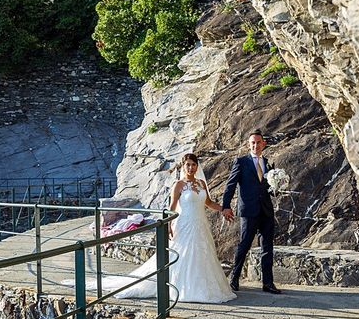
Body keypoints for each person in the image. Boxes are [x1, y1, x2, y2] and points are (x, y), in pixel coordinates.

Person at [100, 153, 236, 304]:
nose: (191, 168)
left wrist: (223, 209)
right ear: (183, 167)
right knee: (182, 255)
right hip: (184, 224)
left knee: (202, 254)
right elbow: (171, 208)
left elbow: (208, 203)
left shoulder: (201, 184)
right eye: (188, 165)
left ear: (197, 166)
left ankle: (204, 287)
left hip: (201, 224)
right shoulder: (179, 185)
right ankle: (182, 288)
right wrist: (168, 224)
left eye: (193, 164)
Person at [222, 130, 282, 294]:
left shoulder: (268, 163)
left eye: (258, 142)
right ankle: (234, 278)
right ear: (249, 145)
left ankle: (268, 283)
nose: (255, 145)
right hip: (248, 210)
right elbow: (230, 185)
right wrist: (225, 206)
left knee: (267, 247)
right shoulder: (241, 162)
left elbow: (269, 188)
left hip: (266, 210)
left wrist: (278, 187)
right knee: (244, 244)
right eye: (252, 143)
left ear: (264, 144)